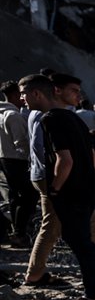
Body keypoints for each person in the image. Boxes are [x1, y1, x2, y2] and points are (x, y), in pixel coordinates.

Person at [19, 74, 95, 300]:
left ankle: (94, 295)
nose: (22, 99)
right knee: (78, 238)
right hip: (85, 187)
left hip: (70, 190)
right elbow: (92, 155)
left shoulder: (50, 120)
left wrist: (55, 188)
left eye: (24, 94)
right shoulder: (74, 118)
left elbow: (64, 160)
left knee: (80, 242)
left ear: (37, 94)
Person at [22, 72, 95, 288]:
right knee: (54, 225)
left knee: (85, 221)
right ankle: (35, 274)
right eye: (73, 91)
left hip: (54, 175)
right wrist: (58, 183)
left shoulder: (54, 114)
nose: (78, 96)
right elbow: (49, 153)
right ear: (56, 91)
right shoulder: (47, 116)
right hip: (53, 177)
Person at [0, 79, 34, 246]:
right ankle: (19, 233)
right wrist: (31, 159)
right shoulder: (14, 116)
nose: (23, 98)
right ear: (14, 95)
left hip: (4, 159)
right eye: (20, 95)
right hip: (17, 160)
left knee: (14, 196)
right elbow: (21, 143)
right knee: (28, 196)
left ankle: (15, 230)